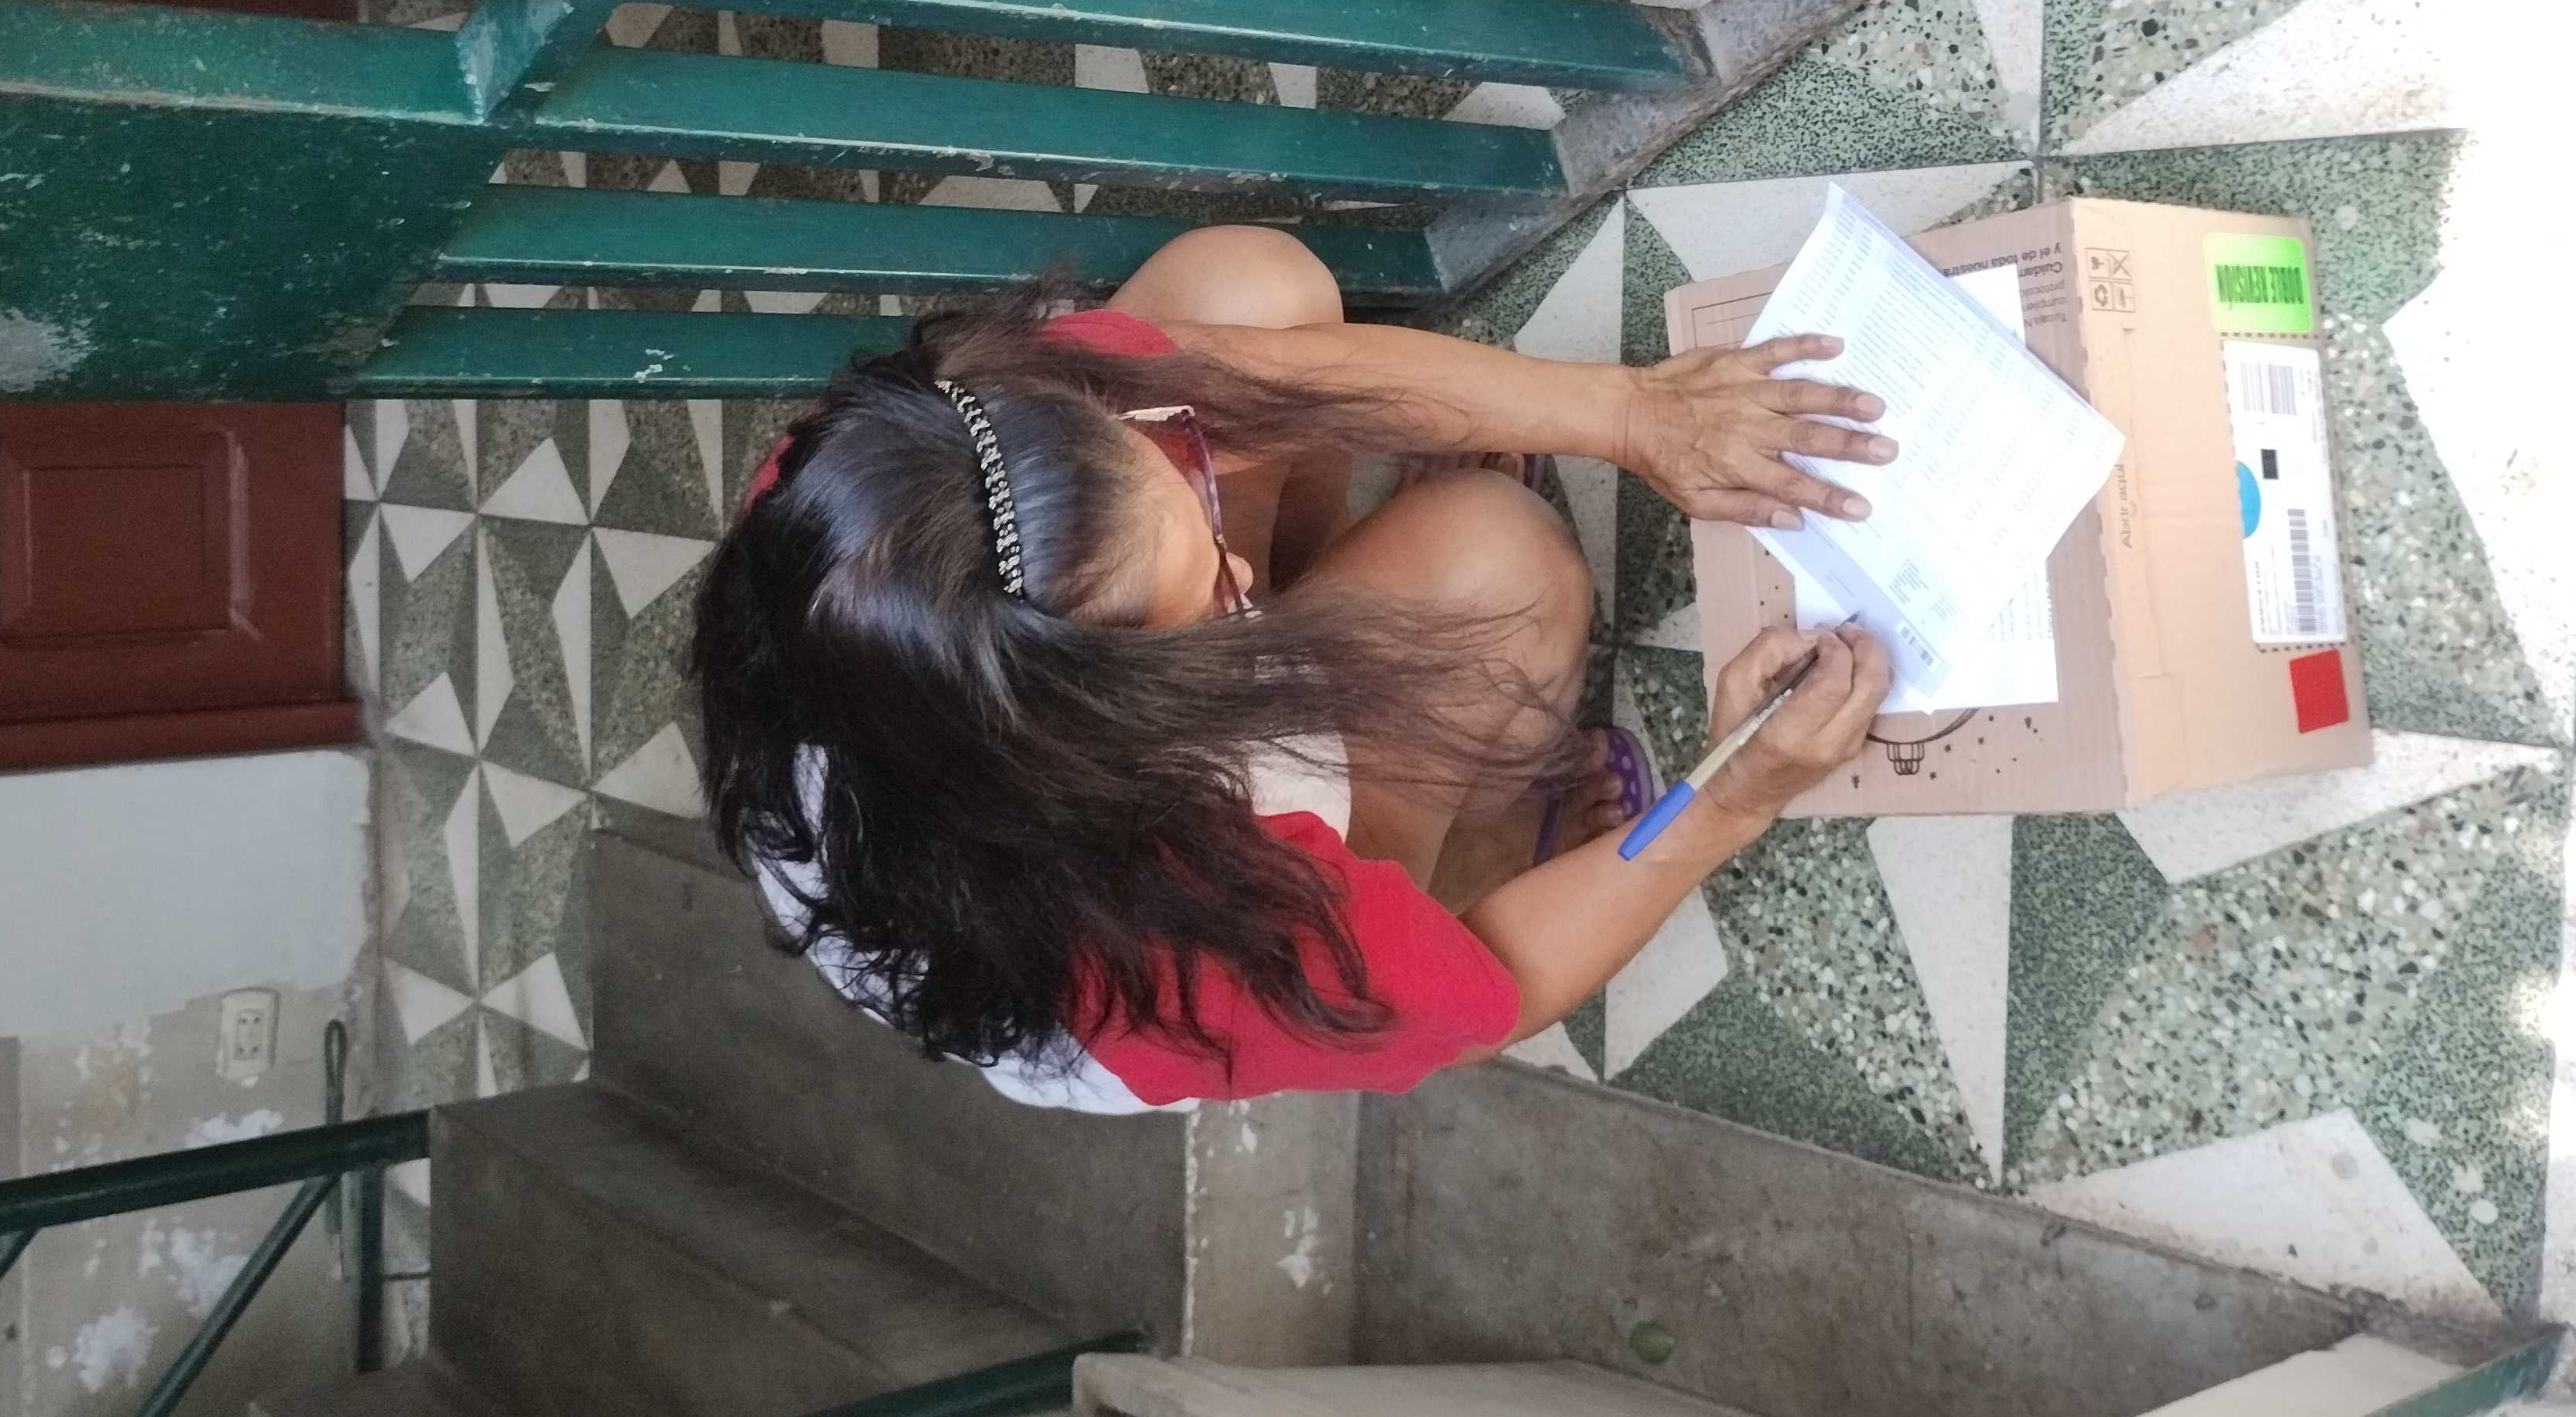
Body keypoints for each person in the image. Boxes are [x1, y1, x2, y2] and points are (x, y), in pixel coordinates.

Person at [691, 224, 1897, 1112]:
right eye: (1213, 598)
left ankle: (1332, 594)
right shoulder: (1173, 953)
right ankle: (1474, 849)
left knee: (1253, 286)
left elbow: (1231, 375)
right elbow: (1499, 996)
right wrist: (1732, 799)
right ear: (1104, 723)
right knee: (1503, 560)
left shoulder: (894, 495)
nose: (1241, 574)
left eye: (1177, 485)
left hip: (1045, 761)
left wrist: (1632, 414)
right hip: (1143, 902)